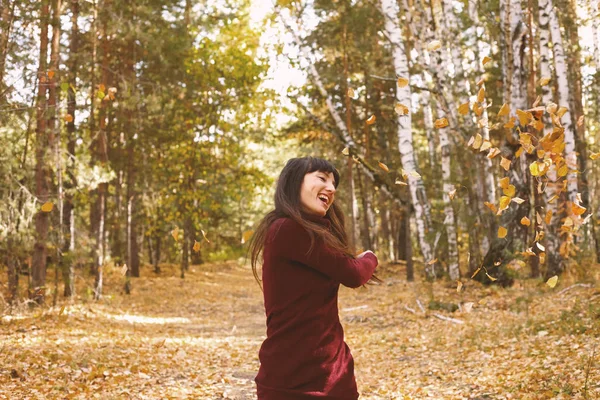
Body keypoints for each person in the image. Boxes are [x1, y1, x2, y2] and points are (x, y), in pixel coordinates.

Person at [248, 156, 381, 399]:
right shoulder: (286, 229)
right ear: (294, 182)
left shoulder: (310, 233)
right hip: (293, 379)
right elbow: (353, 273)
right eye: (322, 179)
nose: (331, 189)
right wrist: (370, 256)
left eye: (333, 184)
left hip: (331, 373)